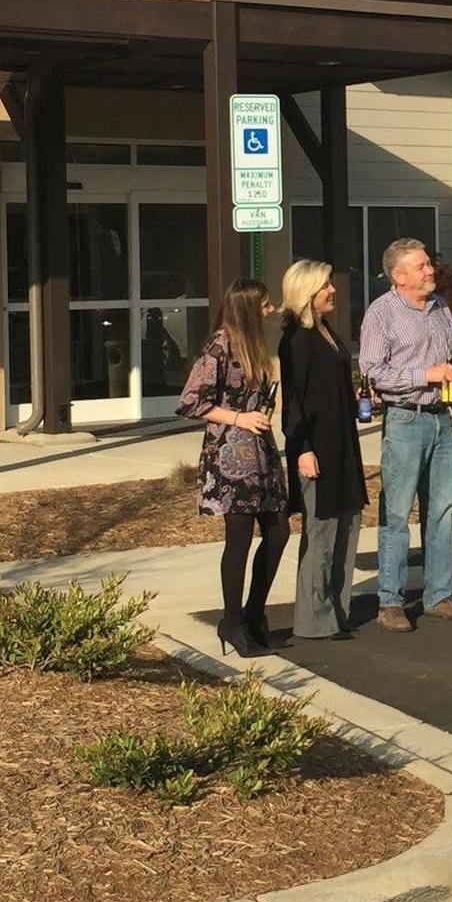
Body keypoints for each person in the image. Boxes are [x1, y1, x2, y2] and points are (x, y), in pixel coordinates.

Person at [358, 238, 452, 631]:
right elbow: (372, 373)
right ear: (398, 276)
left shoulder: (441, 308)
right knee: (397, 513)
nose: (430, 271)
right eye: (420, 266)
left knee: (443, 509)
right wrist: (423, 375)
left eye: (429, 263)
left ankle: (439, 595)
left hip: (440, 421)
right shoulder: (381, 314)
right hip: (403, 420)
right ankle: (390, 601)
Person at [177, 276, 289, 658]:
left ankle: (256, 614)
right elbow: (192, 402)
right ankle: (232, 620)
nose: (270, 310)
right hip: (230, 457)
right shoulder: (218, 346)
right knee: (238, 537)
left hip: (261, 453)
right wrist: (239, 418)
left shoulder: (254, 345)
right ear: (245, 308)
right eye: (264, 305)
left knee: (278, 531)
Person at [279, 258, 367, 642]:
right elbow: (294, 401)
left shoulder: (327, 331)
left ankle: (337, 609)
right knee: (321, 533)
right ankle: (315, 619)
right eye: (325, 285)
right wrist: (302, 449)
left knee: (347, 523)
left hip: (343, 444)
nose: (333, 290)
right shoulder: (296, 340)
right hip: (316, 448)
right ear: (306, 292)